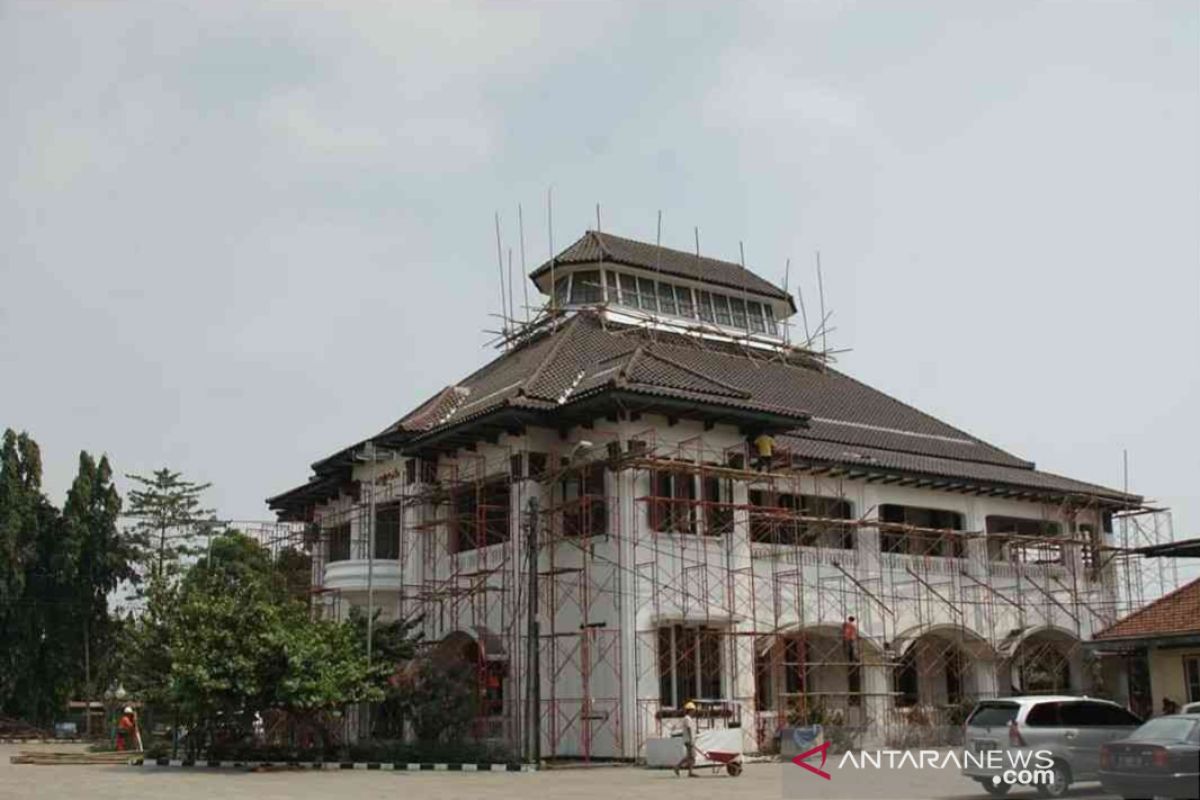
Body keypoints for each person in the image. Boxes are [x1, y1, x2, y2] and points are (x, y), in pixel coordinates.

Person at [673, 701, 698, 778]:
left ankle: (689, 771)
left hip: (690, 739)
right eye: (693, 710)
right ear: (690, 710)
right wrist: (691, 740)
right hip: (689, 740)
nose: (694, 712)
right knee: (691, 756)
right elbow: (689, 729)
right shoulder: (687, 719)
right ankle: (678, 767)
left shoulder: (689, 718)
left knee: (691, 756)